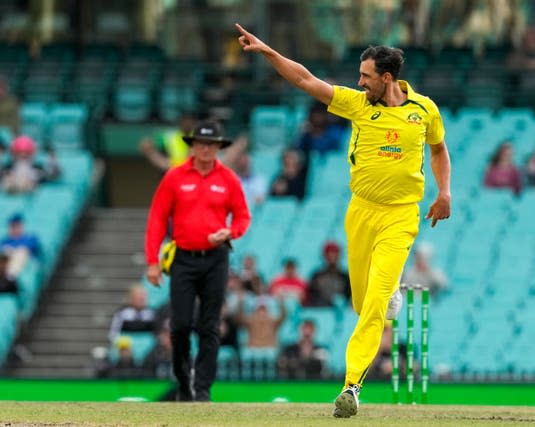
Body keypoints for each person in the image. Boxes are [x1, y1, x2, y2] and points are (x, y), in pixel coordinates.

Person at [236, 23, 451, 418]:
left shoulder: (424, 111)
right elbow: (304, 78)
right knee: (360, 302)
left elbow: (438, 150)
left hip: (401, 216)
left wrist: (444, 192)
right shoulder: (356, 104)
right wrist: (268, 52)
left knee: (372, 309)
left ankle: (351, 387)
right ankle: (388, 295)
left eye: (365, 76)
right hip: (361, 211)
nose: (359, 81)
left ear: (387, 78)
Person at [145, 120, 251, 402]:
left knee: (210, 325)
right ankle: (183, 383)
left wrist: (232, 232)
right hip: (183, 258)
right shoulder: (175, 176)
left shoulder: (228, 178)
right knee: (179, 325)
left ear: (218, 147)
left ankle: (202, 388)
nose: (205, 149)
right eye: (201, 143)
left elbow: (242, 216)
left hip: (216, 259)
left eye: (211, 144)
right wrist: (153, 262)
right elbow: (157, 218)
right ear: (192, 146)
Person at [306, 241, 350, 307]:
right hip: (321, 309)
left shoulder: (345, 276)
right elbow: (311, 296)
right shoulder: (317, 275)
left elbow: (349, 296)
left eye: (335, 254)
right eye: (330, 254)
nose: (332, 257)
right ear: (325, 256)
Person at [0, 213, 42, 278]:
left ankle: (10, 277)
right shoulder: (5, 241)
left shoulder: (30, 238)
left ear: (21, 226)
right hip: (6, 264)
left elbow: (30, 250)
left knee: (21, 252)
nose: (14, 228)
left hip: (26, 265)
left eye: (16, 225)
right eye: (12, 226)